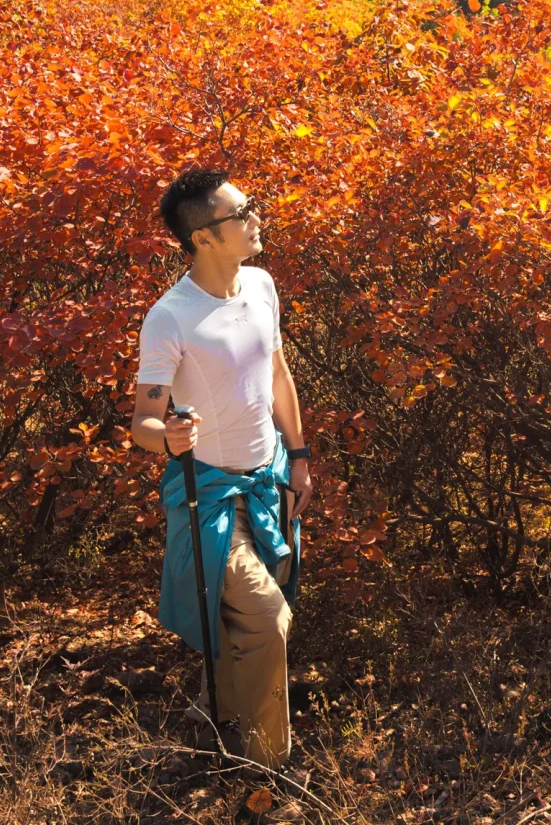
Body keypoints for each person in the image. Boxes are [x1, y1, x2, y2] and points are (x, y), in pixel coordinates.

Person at [131, 167, 314, 770]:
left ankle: (214, 710)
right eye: (241, 214)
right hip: (209, 492)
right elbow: (143, 423)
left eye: (251, 205)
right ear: (203, 238)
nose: (256, 219)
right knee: (266, 618)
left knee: (259, 603)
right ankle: (267, 770)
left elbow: (277, 375)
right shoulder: (171, 316)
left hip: (269, 478)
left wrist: (300, 458)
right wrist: (168, 437)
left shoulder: (260, 285)